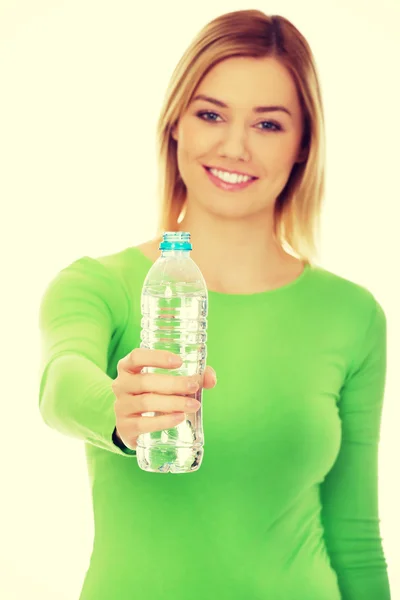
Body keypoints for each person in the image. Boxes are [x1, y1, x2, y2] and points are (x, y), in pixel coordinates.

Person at [38, 9, 391, 600]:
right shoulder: (99, 285)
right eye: (211, 114)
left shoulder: (353, 315)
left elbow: (355, 533)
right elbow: (59, 386)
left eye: (269, 125)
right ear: (176, 123)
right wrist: (118, 412)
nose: (234, 146)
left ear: (304, 144)